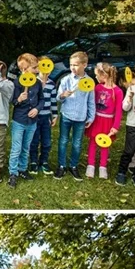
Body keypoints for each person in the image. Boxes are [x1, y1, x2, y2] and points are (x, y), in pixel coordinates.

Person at [54, 51, 96, 181]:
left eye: (76, 65)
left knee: (77, 143)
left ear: (85, 65)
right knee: (63, 141)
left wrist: (91, 117)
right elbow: (58, 97)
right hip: (66, 115)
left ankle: (73, 166)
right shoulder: (66, 79)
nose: (73, 68)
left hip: (81, 117)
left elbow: (91, 101)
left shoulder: (89, 82)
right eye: (71, 65)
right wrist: (62, 95)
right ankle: (61, 165)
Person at [8, 53, 45, 188]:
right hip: (19, 120)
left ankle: (22, 169)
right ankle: (13, 172)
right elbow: (12, 102)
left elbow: (42, 99)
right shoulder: (17, 83)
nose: (36, 70)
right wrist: (19, 99)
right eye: (34, 68)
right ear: (24, 69)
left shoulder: (37, 83)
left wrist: (37, 109)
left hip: (32, 122)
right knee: (16, 148)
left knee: (26, 147)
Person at [85, 63, 124, 180]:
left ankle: (103, 167)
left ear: (104, 75)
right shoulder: (97, 88)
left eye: (97, 75)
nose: (96, 77)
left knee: (105, 144)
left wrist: (115, 126)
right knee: (93, 142)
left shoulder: (117, 91)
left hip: (108, 122)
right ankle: (90, 165)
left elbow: (118, 111)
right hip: (97, 119)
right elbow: (92, 104)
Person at [116, 62, 135, 188]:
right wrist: (128, 98)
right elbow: (125, 107)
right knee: (129, 150)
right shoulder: (132, 89)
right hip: (133, 125)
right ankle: (121, 172)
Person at [29, 58, 59, 175]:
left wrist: (55, 115)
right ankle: (33, 162)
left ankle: (44, 161)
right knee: (34, 141)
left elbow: (53, 101)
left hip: (46, 117)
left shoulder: (51, 84)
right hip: (35, 117)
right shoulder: (33, 81)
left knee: (46, 142)